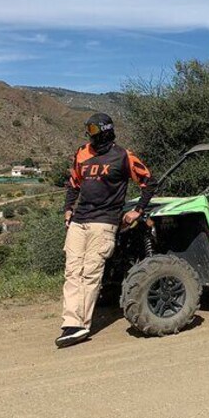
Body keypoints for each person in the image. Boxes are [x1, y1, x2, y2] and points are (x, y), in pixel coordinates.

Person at [57, 113, 156, 348]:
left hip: (104, 222)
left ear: (106, 130)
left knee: (90, 272)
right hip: (79, 220)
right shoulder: (81, 153)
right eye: (88, 131)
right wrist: (68, 210)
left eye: (94, 130)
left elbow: (149, 182)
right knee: (72, 271)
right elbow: (73, 183)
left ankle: (80, 325)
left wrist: (138, 210)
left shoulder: (124, 156)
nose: (91, 135)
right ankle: (69, 322)